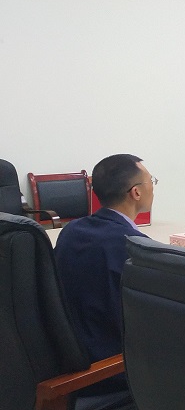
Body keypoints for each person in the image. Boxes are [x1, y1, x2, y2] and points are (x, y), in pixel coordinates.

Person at [54, 154, 154, 397]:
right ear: (136, 192)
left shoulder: (71, 231)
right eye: (151, 181)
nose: (153, 187)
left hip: (64, 358)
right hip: (109, 372)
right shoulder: (135, 248)